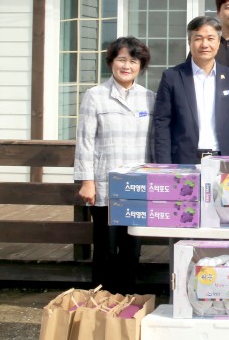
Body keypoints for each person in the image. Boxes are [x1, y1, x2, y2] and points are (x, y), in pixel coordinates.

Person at [73, 36, 154, 293]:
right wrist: (87, 181)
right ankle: (100, 302)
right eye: (121, 60)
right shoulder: (95, 96)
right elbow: (85, 141)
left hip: (137, 186)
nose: (127, 66)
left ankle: (126, 301)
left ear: (141, 65)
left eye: (133, 61)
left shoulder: (150, 98)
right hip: (106, 184)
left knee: (132, 248)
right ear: (111, 62)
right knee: (105, 248)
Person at [154, 16, 229, 164]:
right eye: (198, 38)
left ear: (218, 42)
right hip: (183, 161)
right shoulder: (172, 77)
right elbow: (162, 124)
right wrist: (164, 165)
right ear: (189, 42)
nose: (204, 44)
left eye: (210, 38)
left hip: (224, 160)